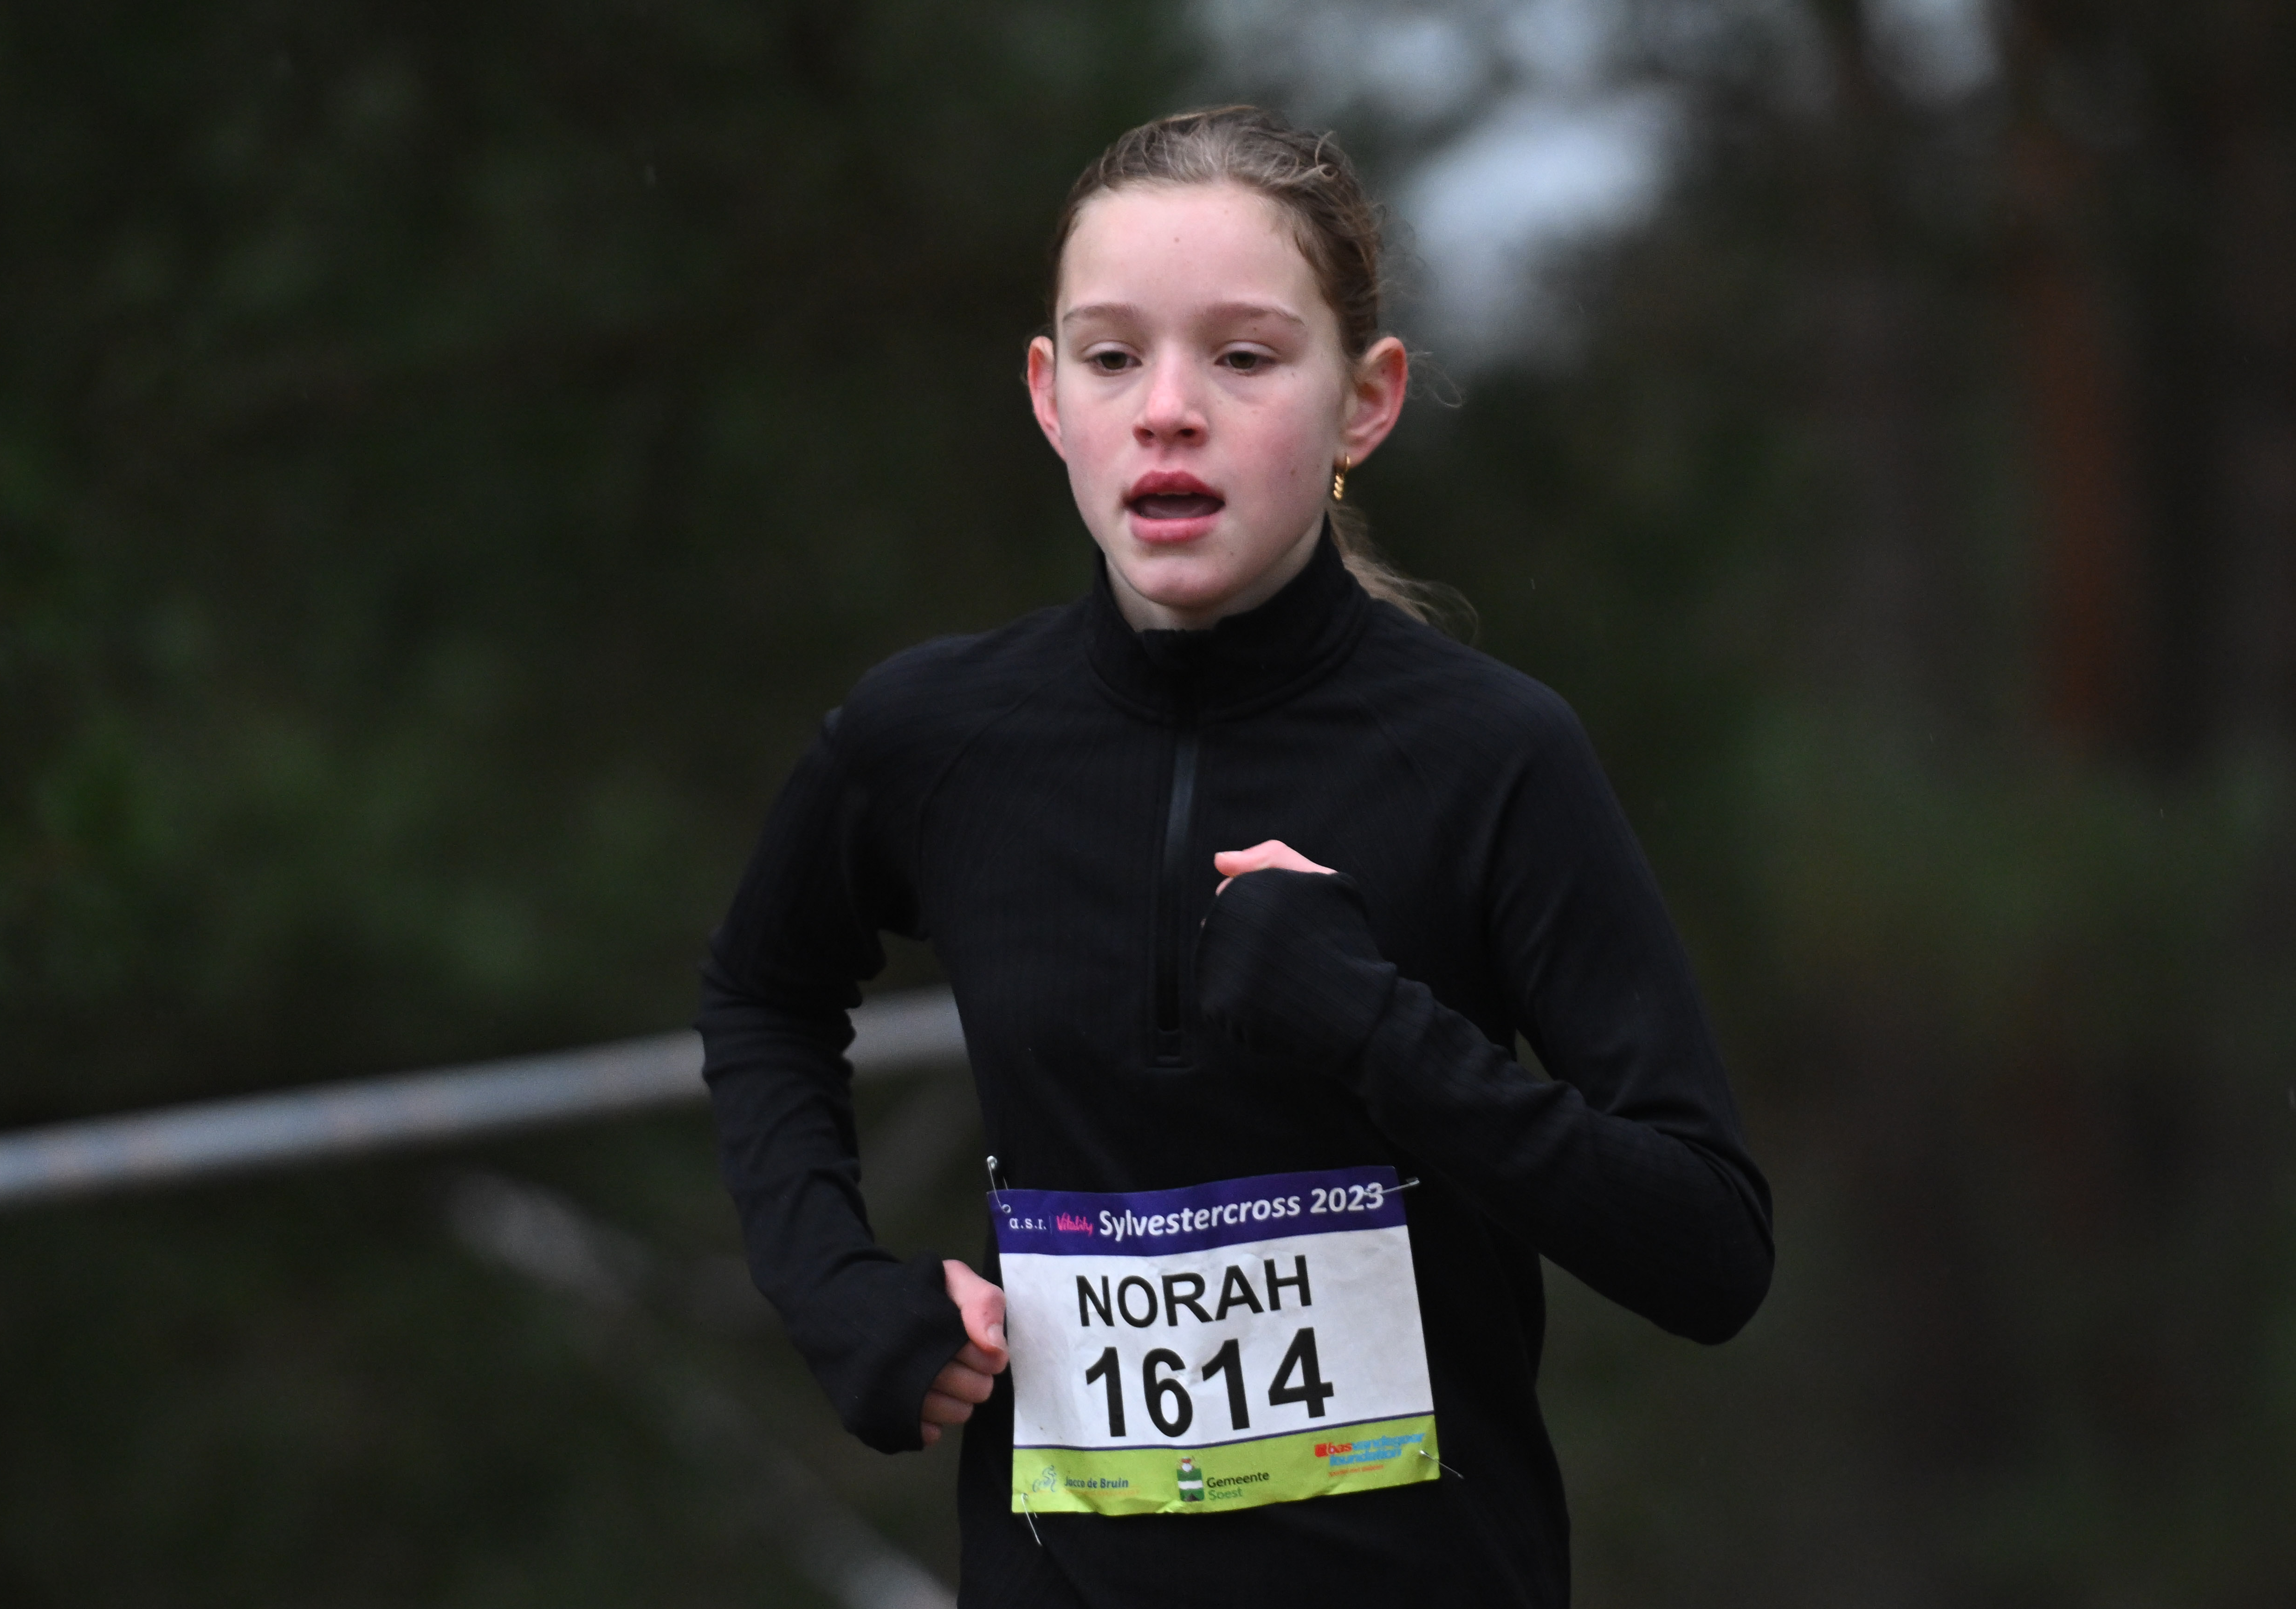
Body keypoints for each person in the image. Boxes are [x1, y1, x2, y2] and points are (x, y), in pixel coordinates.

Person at [698, 105, 1772, 1607]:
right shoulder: (932, 739)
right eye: (1112, 355)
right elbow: (761, 995)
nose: (1166, 411)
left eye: (1244, 357)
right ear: (1047, 394)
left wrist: (1377, 1026)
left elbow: (1708, 1250)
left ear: (1364, 402)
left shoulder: (1490, 756)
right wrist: (832, 1285)